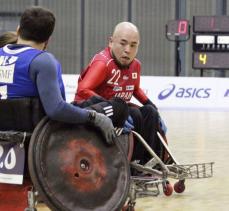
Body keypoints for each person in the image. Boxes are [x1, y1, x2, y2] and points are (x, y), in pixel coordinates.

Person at [0, 6, 115, 144]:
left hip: (6, 130)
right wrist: (93, 117)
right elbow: (56, 109)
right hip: (39, 136)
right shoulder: (43, 61)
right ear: (48, 40)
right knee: (118, 107)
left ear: (18, 30)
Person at [74, 21, 167, 165]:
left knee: (150, 112)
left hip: (120, 109)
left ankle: (148, 161)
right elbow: (83, 89)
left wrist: (152, 105)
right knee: (134, 114)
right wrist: (109, 105)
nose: (127, 50)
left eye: (133, 45)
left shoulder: (136, 65)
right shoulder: (103, 63)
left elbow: (135, 89)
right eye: (123, 43)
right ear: (111, 42)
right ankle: (131, 163)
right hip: (92, 110)